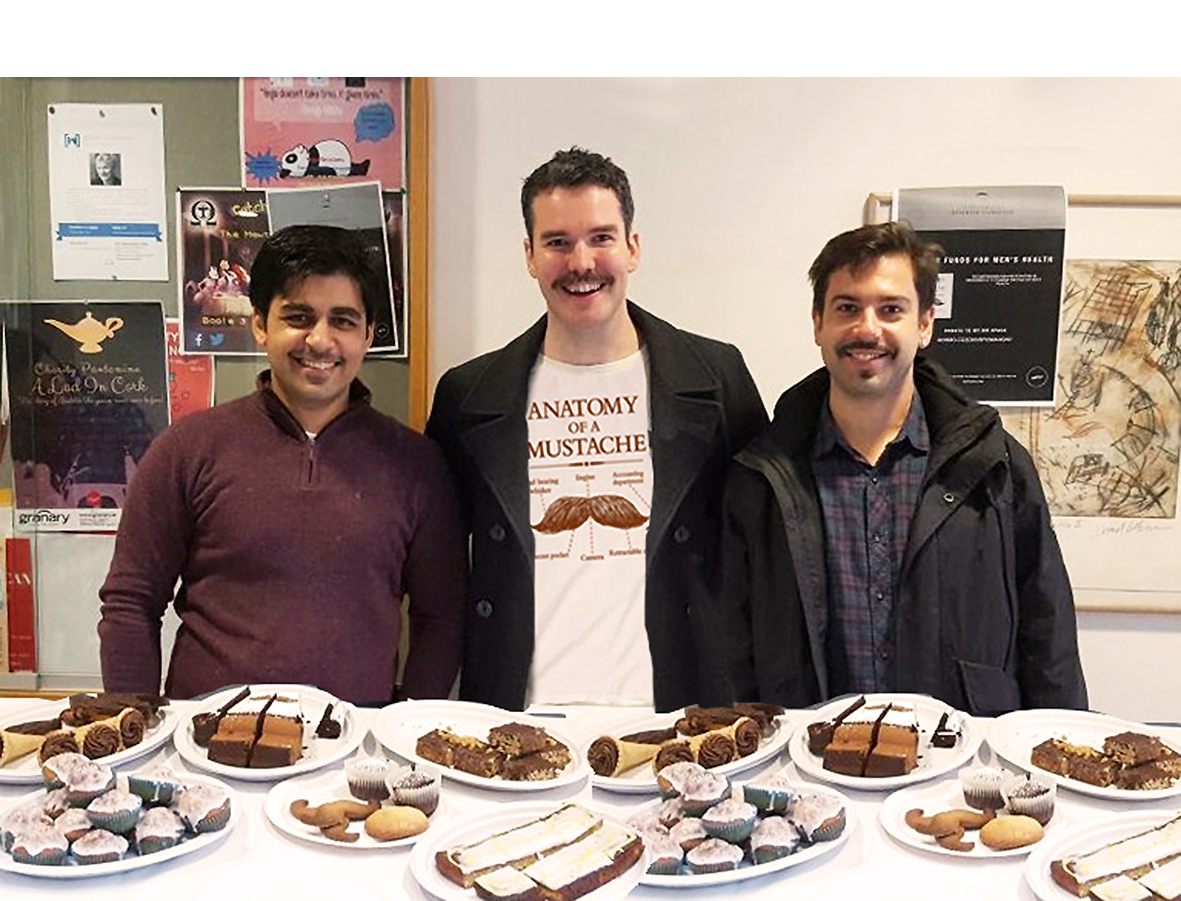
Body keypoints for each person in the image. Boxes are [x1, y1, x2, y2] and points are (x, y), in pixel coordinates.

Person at [426, 148, 767, 712]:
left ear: (633, 247)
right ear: (530, 255)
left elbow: (761, 551)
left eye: (601, 238)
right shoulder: (468, 396)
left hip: (682, 713)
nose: (581, 262)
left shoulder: (716, 377)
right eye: (558, 242)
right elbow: (437, 570)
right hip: (521, 714)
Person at [721, 221, 1087, 715]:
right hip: (810, 752)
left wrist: (1058, 740)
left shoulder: (994, 463)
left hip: (961, 751)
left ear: (925, 324)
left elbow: (1048, 630)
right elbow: (733, 644)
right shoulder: (763, 475)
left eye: (891, 309)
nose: (867, 329)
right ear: (818, 323)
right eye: (847, 308)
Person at [99, 225, 466, 704]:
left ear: (368, 334)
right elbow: (131, 602)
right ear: (260, 324)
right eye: (298, 317)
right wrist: (136, 725)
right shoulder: (186, 450)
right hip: (204, 739)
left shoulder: (417, 466)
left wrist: (406, 727)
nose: (320, 340)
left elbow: (441, 618)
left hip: (356, 741)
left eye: (343, 321)